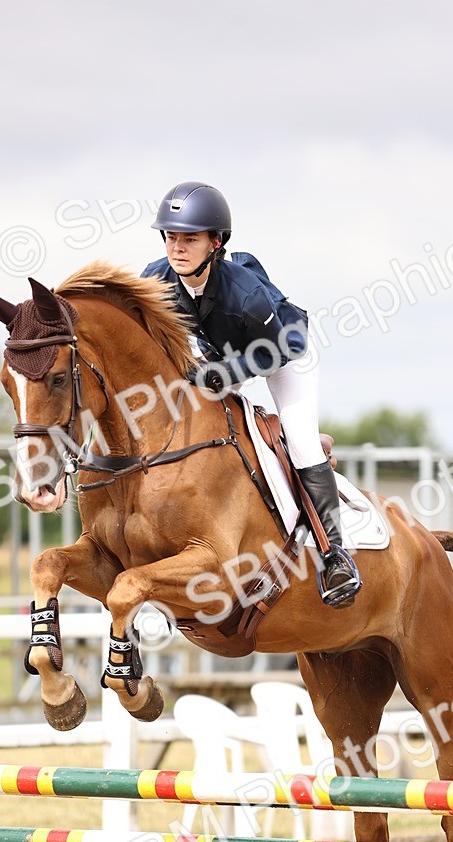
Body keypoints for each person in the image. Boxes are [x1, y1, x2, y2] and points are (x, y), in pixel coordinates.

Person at [142, 180, 361, 609]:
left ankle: (336, 554)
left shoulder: (244, 293)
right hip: (222, 355)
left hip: (285, 353)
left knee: (299, 441)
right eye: (171, 237)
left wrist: (226, 375)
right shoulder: (155, 278)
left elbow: (284, 349)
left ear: (216, 242)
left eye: (190, 239)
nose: (177, 248)